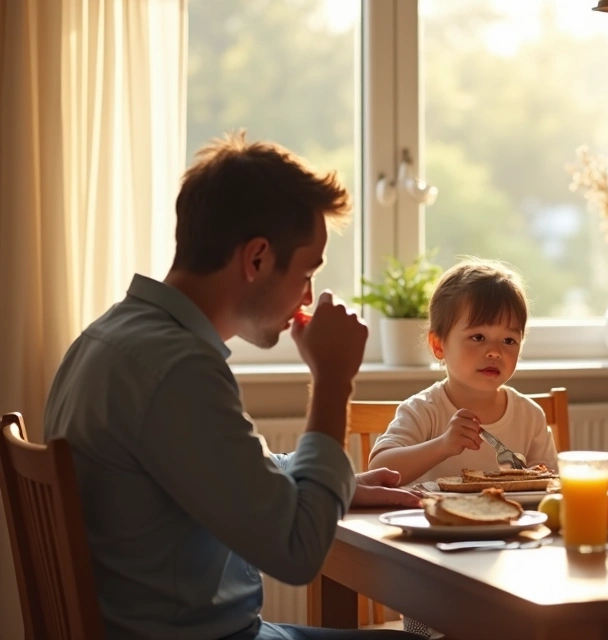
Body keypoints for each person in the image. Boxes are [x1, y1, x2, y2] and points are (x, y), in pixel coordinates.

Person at [43, 132, 425, 640]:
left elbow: (227, 472)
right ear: (258, 259)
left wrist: (338, 485)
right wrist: (333, 378)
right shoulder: (176, 370)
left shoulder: (112, 337)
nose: (308, 294)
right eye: (308, 270)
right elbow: (297, 552)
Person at [368, 259, 557, 485]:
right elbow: (379, 469)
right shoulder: (423, 410)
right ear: (439, 345)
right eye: (478, 337)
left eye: (509, 340)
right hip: (435, 519)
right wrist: (443, 445)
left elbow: (552, 486)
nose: (495, 352)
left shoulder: (530, 416)